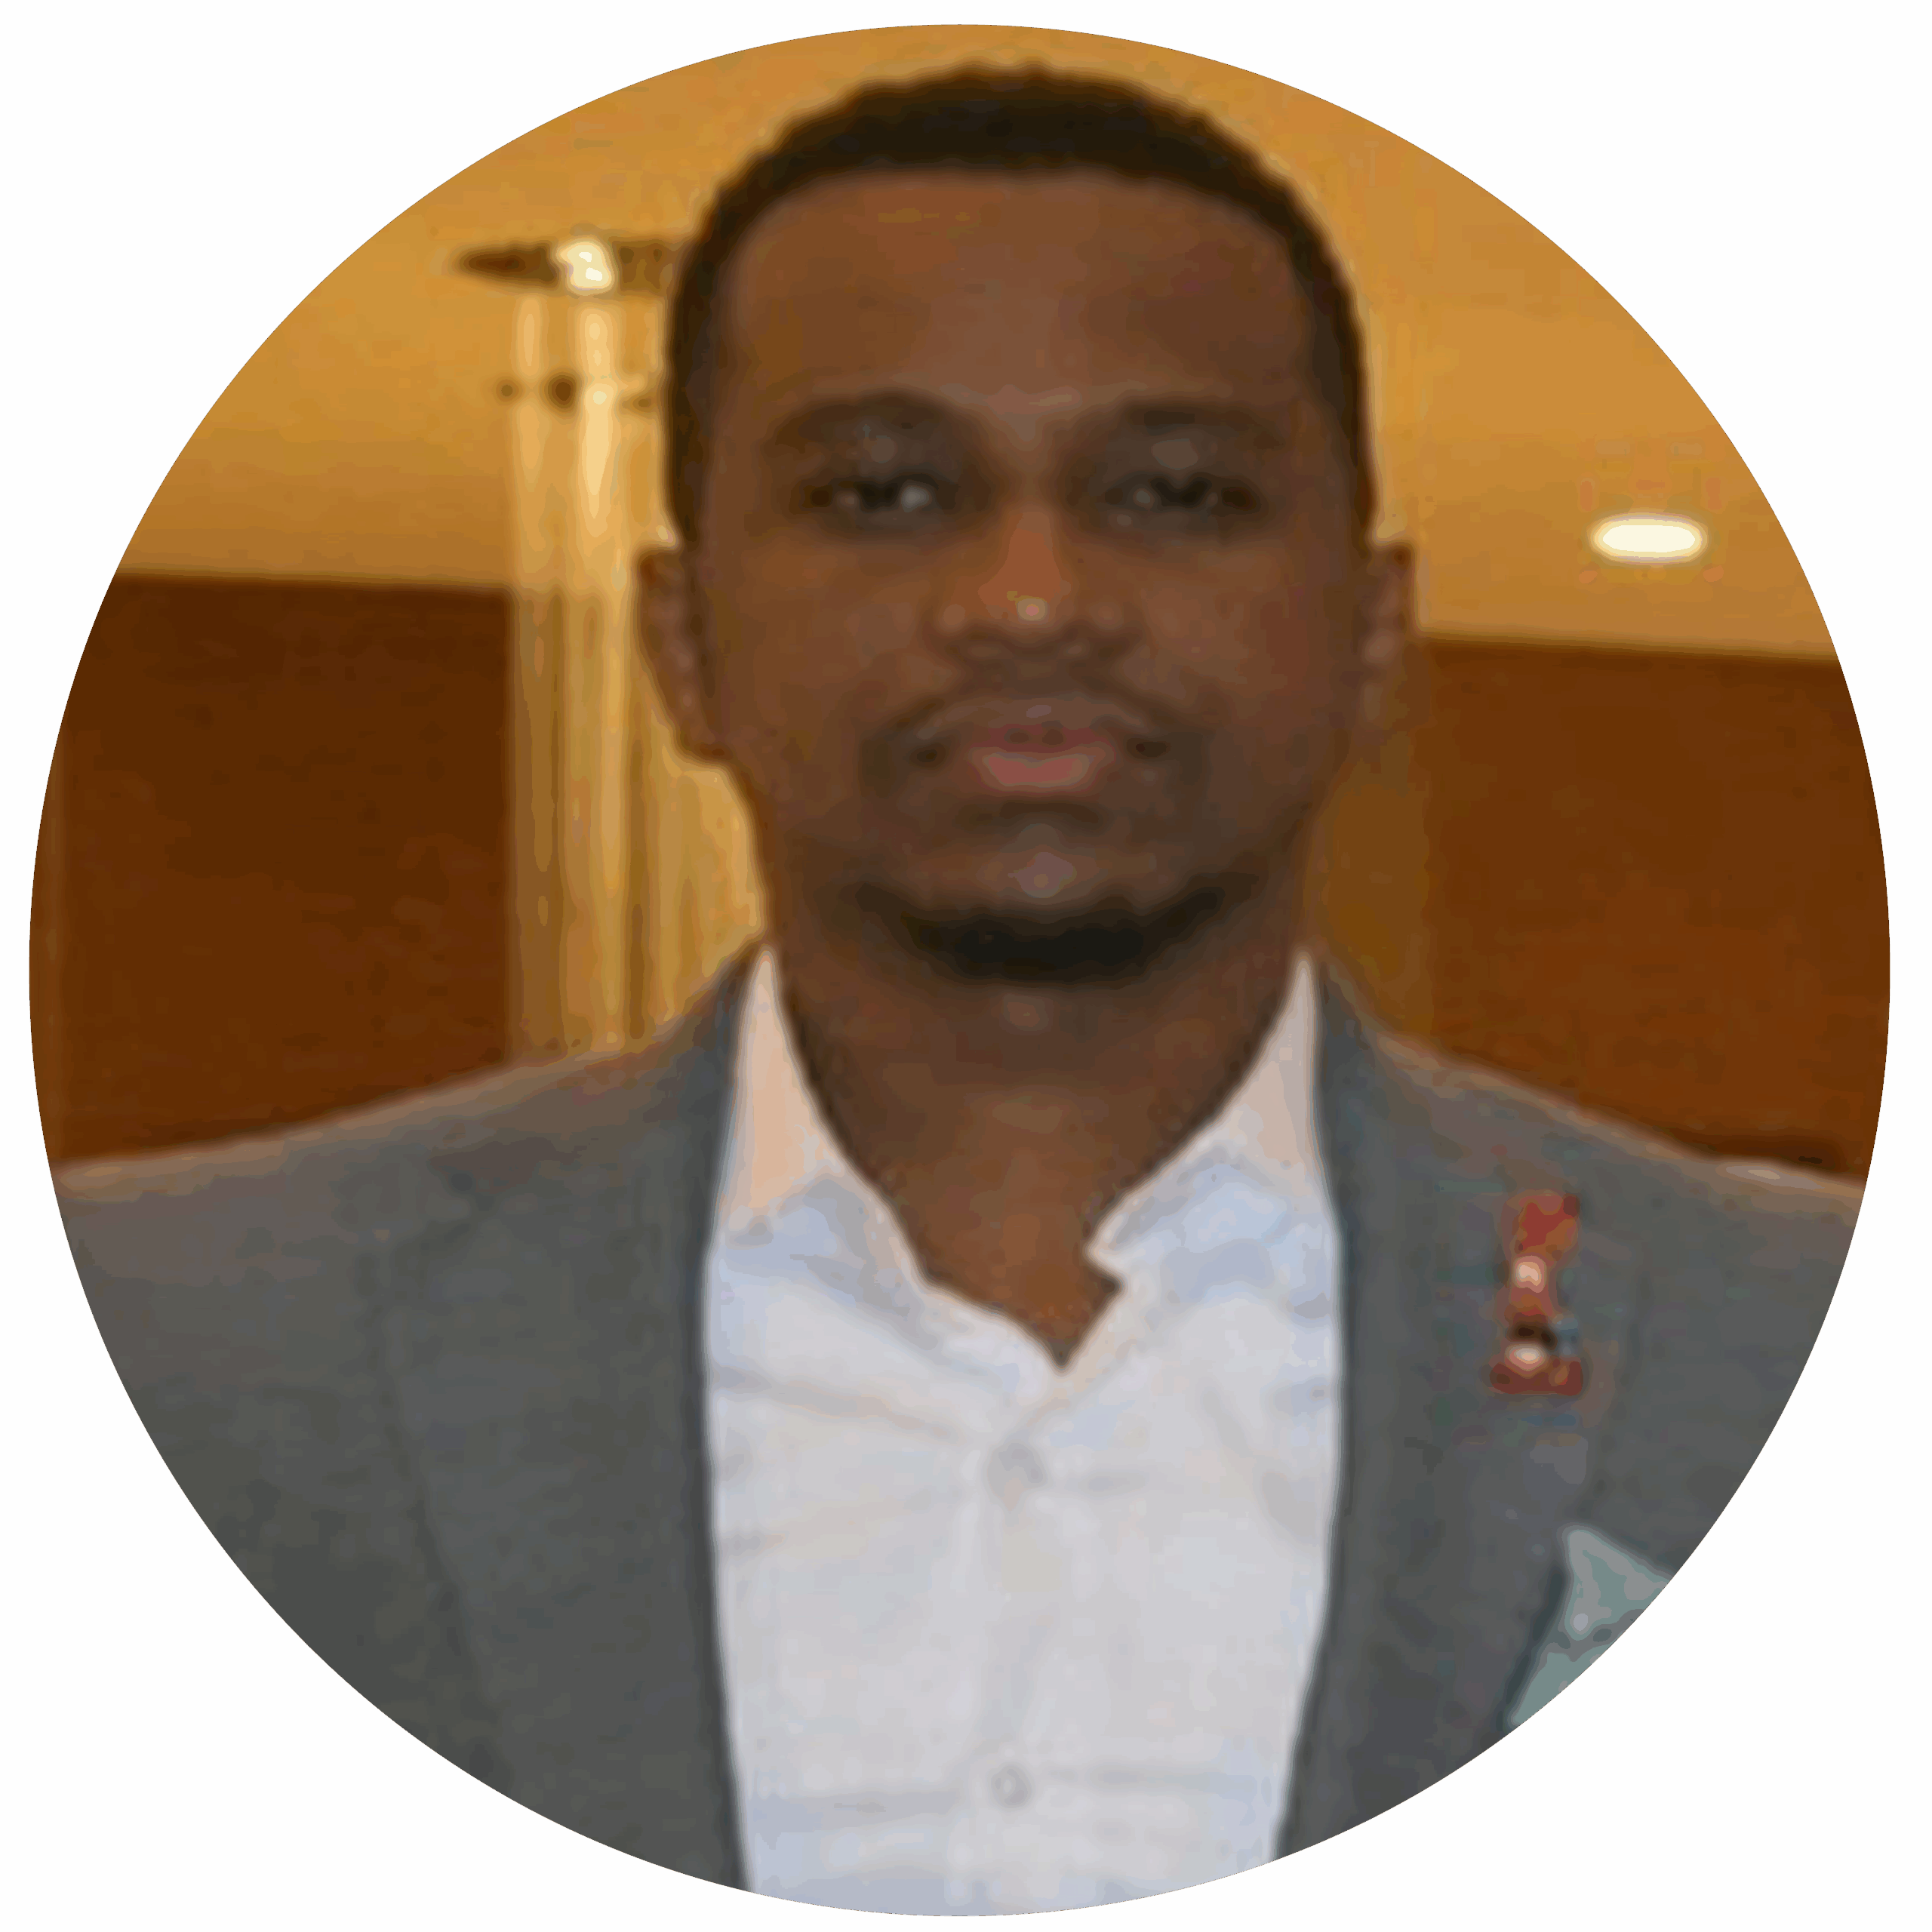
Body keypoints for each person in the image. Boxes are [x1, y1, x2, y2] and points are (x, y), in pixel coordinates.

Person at [57, 69, 1857, 1916]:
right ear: (683, 645)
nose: (1028, 597)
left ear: (1367, 632)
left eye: (1172, 490)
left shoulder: (1807, 1350)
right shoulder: (157, 1350)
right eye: (883, 489)